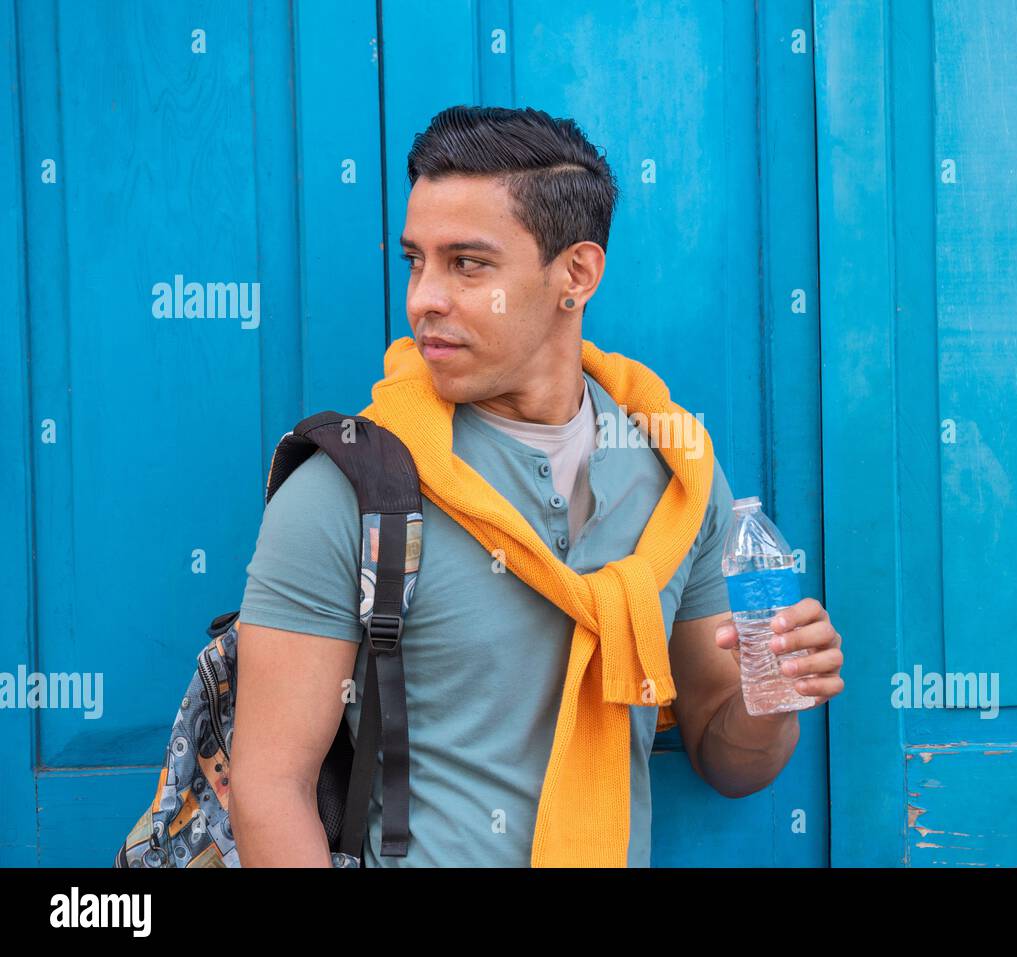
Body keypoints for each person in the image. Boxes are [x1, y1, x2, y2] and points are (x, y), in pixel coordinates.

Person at [227, 105, 845, 867]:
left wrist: (772, 694)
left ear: (576, 275)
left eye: (468, 264)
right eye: (415, 260)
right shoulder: (349, 489)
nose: (424, 297)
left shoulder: (676, 476)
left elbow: (732, 760)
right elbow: (267, 788)